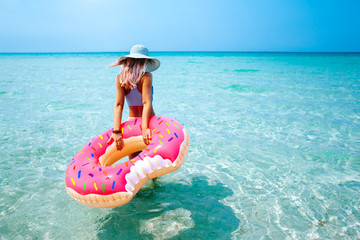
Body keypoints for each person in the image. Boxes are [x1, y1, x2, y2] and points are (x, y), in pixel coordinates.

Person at [100, 45, 160, 167]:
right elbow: (146, 102)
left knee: (134, 164)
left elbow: (118, 105)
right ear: (145, 61)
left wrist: (116, 131)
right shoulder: (146, 76)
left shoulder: (120, 77)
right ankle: (154, 184)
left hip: (131, 123)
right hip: (149, 121)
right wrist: (144, 127)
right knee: (152, 162)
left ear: (129, 60)